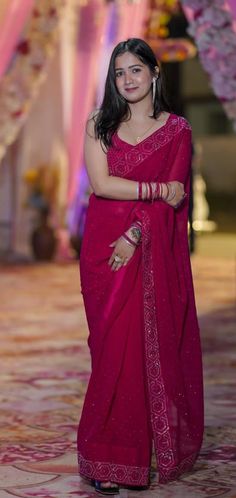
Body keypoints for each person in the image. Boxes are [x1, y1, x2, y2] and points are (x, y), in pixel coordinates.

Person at [77, 38, 204, 495]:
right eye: (118, 73)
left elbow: (178, 193)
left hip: (146, 251)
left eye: (135, 70)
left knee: (143, 352)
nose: (126, 80)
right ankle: (102, 455)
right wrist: (155, 191)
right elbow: (102, 184)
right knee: (110, 350)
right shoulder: (99, 124)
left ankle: (129, 459)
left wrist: (135, 235)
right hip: (103, 254)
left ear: (153, 73)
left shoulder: (177, 131)